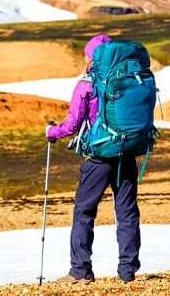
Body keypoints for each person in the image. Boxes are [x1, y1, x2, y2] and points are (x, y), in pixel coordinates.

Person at [46, 34, 141, 284]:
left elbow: (72, 125)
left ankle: (80, 271)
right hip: (127, 154)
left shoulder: (86, 85)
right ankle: (127, 271)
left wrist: (52, 132)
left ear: (92, 58)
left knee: (84, 211)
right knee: (127, 212)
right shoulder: (129, 81)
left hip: (98, 158)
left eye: (88, 55)